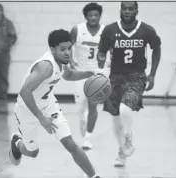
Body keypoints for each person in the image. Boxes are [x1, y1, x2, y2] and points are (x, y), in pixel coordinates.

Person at [9, 29, 100, 178]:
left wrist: (89, 73)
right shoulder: (46, 67)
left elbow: (69, 75)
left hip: (48, 104)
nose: (67, 53)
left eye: (69, 48)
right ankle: (17, 142)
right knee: (32, 152)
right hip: (27, 108)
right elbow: (25, 92)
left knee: (70, 144)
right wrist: (41, 118)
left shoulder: (62, 61)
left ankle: (94, 176)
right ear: (52, 50)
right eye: (62, 49)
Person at [97, 1, 161, 167]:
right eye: (124, 8)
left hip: (136, 77)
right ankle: (121, 151)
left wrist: (152, 74)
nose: (127, 11)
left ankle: (128, 137)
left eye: (130, 8)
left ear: (136, 11)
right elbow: (101, 51)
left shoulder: (147, 30)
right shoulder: (110, 30)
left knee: (125, 110)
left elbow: (157, 49)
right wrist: (101, 63)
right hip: (115, 78)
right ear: (120, 10)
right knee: (115, 119)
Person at [70, 2, 109, 150]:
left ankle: (87, 138)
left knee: (93, 106)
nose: (93, 17)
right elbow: (68, 46)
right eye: (91, 15)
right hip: (80, 72)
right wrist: (70, 61)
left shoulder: (106, 31)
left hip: (99, 73)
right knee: (81, 110)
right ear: (86, 16)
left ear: (99, 16)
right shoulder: (77, 30)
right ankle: (84, 122)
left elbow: (111, 50)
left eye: (96, 15)